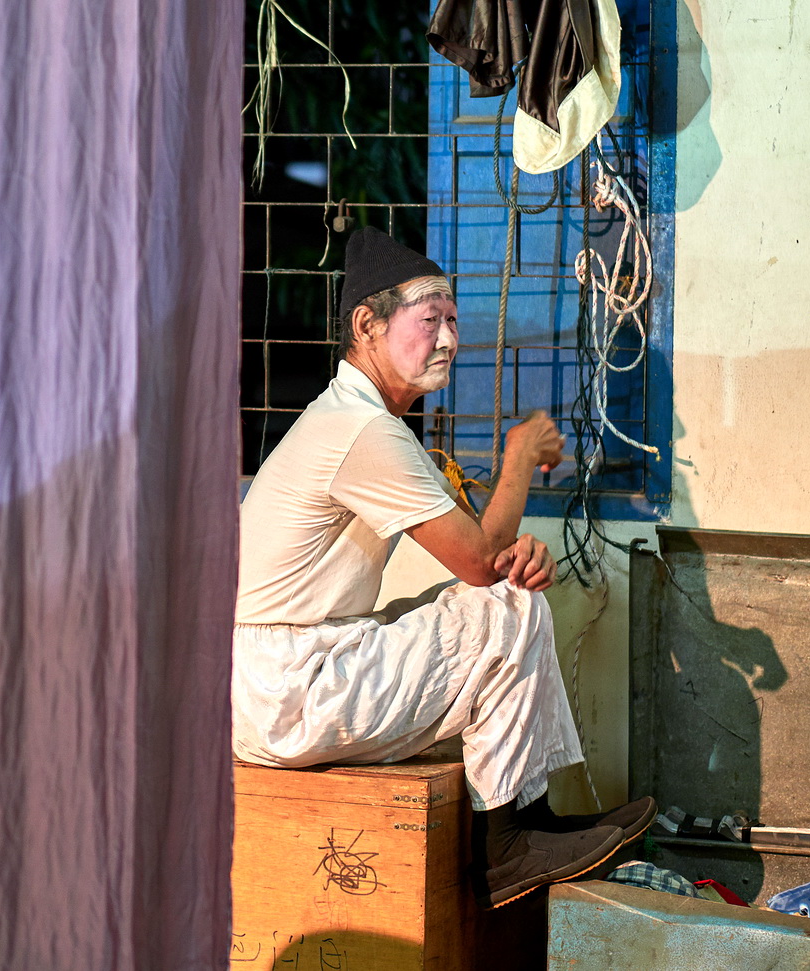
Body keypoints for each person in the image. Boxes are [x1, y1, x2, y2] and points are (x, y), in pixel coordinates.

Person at [233, 226, 655, 908]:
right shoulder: (361, 429)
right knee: (508, 604)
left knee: (502, 598)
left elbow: (484, 552)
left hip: (289, 674)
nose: (449, 339)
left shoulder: (360, 419)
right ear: (366, 325)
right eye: (430, 320)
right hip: (289, 686)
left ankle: (531, 823)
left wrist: (511, 542)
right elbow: (485, 563)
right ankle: (508, 844)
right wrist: (520, 455)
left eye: (454, 321)